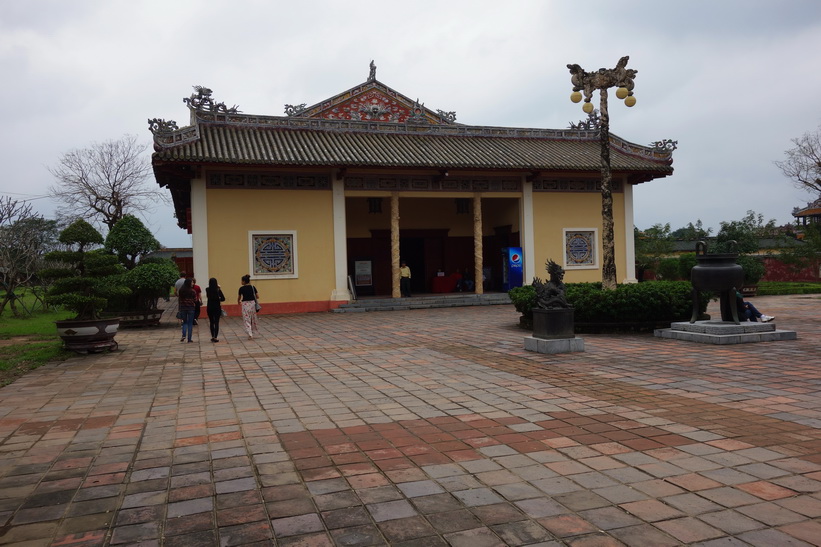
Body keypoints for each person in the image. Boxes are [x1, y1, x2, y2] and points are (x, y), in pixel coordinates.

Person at [238, 274, 259, 339]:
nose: (241, 282)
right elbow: (257, 296)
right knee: (253, 318)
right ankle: (254, 331)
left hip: (245, 304)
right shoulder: (253, 287)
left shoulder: (241, 288)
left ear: (244, 281)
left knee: (246, 319)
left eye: (241, 281)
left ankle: (250, 333)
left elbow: (239, 297)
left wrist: (238, 301)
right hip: (252, 304)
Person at [205, 277, 225, 342]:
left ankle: (212, 336)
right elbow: (223, 298)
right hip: (217, 307)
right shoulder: (218, 290)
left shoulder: (207, 289)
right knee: (216, 322)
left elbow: (208, 296)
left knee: (211, 322)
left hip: (210, 307)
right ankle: (216, 337)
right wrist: (219, 289)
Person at [178, 278, 197, 342]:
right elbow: (195, 300)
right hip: (191, 308)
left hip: (183, 308)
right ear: (189, 283)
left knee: (184, 322)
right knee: (190, 323)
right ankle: (189, 338)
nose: (193, 284)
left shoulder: (181, 290)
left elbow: (179, 299)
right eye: (192, 282)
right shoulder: (193, 291)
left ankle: (183, 335)